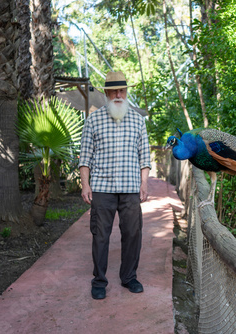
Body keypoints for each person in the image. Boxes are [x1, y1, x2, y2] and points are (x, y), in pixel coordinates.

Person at [79, 71, 151, 300]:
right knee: (100, 235)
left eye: (122, 90)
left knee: (132, 234)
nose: (119, 95)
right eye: (114, 91)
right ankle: (99, 281)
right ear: (107, 93)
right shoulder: (94, 120)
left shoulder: (138, 121)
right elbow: (85, 157)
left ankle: (129, 277)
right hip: (102, 188)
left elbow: (145, 157)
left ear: (126, 92)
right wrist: (85, 185)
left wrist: (144, 183)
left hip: (130, 188)